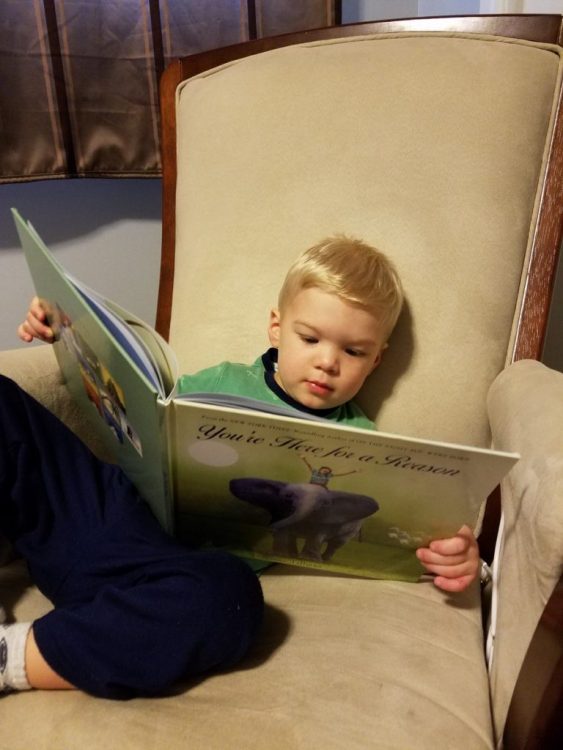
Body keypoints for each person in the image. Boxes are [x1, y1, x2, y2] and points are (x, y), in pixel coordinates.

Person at [8, 235, 479, 698]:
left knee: (231, 600)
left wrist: (460, 559)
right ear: (276, 326)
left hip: (176, 577)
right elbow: (135, 415)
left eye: (353, 351)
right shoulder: (219, 382)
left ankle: (14, 656)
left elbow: (397, 536)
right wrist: (66, 334)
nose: (327, 362)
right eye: (309, 338)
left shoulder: (367, 448)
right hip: (105, 522)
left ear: (377, 359)